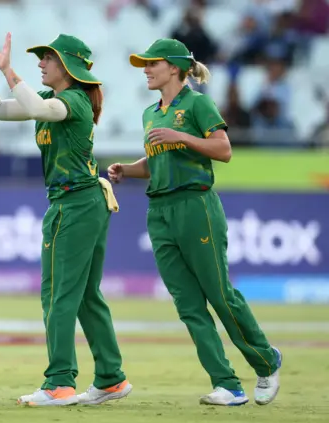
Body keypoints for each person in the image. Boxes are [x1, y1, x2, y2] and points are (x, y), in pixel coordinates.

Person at [109, 38, 282, 406]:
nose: (146, 69)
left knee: (219, 294)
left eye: (152, 63)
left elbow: (224, 150)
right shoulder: (150, 113)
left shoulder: (198, 103)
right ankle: (228, 385)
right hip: (159, 212)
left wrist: (180, 136)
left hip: (196, 205)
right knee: (187, 305)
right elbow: (156, 161)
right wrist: (128, 169)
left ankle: (267, 360)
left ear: (174, 67)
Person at [0, 31, 132, 407]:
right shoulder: (50, 98)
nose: (41, 63)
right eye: (41, 57)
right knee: (86, 296)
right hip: (83, 202)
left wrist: (9, 70)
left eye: (48, 58)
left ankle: (60, 382)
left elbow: (42, 112)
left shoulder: (71, 100)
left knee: (58, 294)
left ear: (69, 66)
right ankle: (110, 378)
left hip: (74, 203)